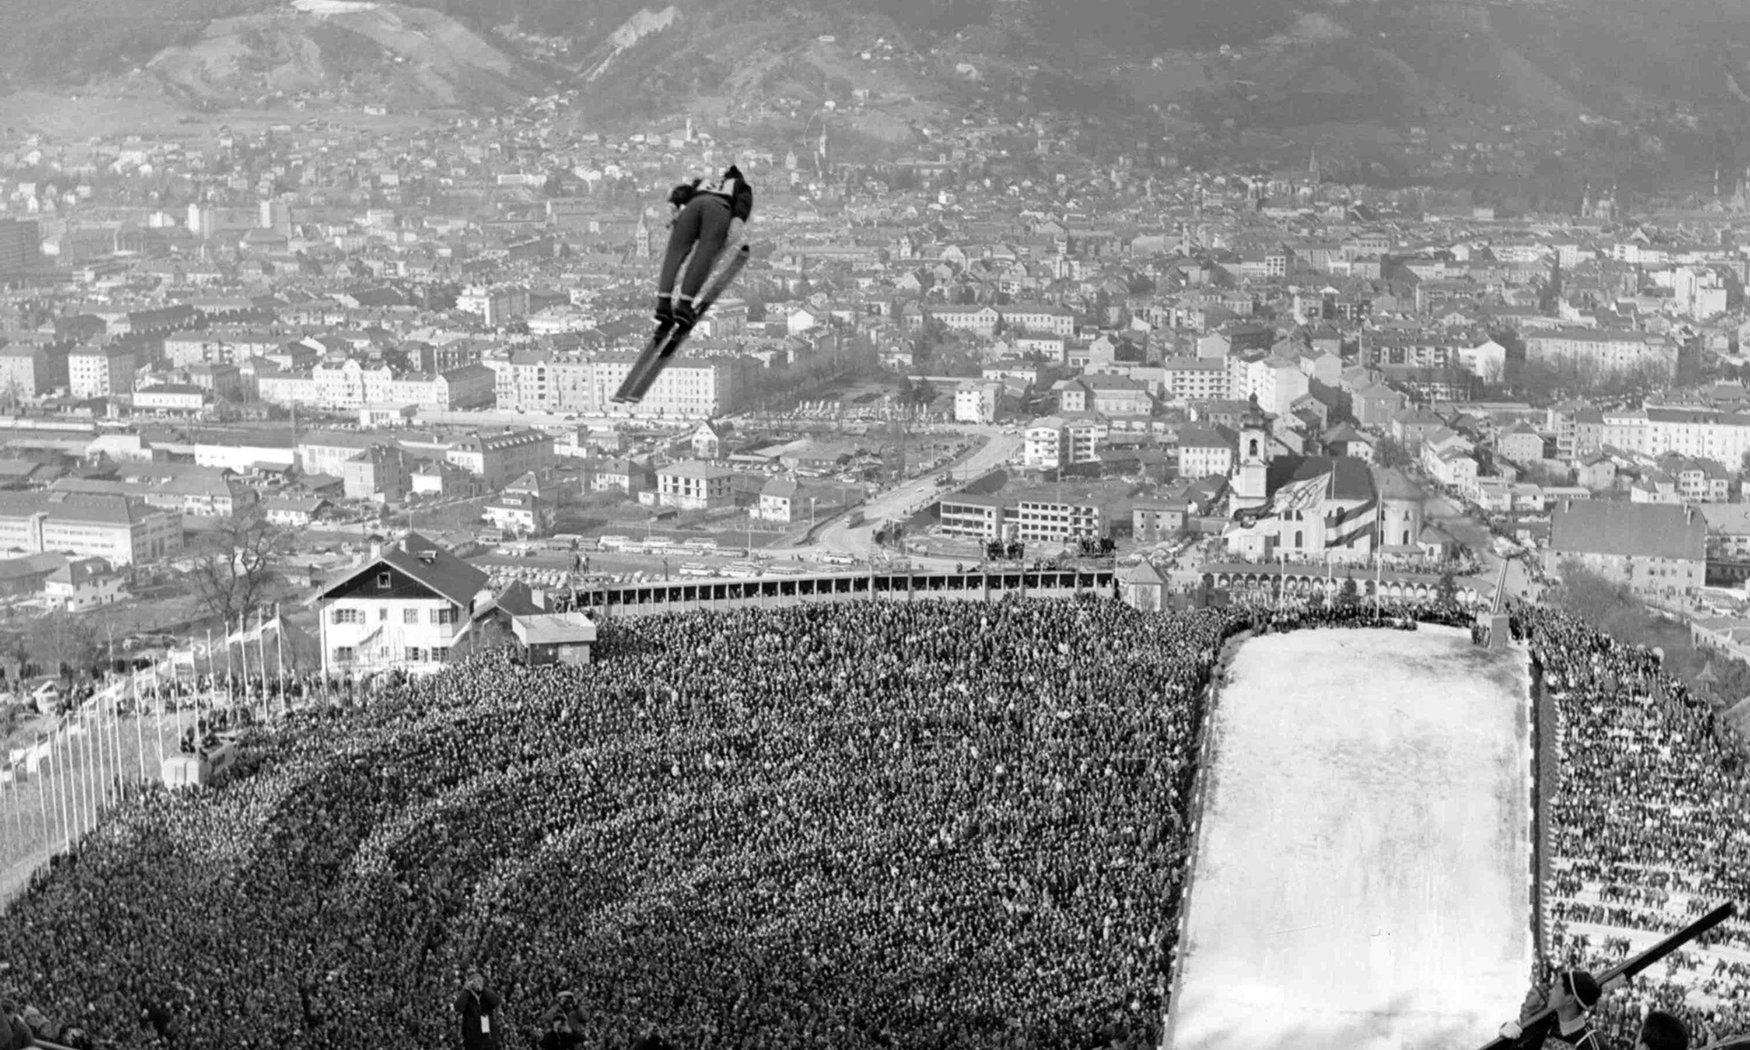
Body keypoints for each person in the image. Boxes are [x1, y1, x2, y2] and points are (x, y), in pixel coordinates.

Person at [654, 164, 752, 330]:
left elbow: (682, 191)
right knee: (704, 255)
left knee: (675, 252)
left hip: (692, 206)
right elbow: (743, 202)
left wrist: (673, 204)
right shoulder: (740, 185)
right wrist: (737, 221)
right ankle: (684, 306)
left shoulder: (704, 182)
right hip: (718, 210)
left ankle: (663, 303)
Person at [1499, 969, 1604, 1049]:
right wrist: (1506, 1033)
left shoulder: (1593, 1044)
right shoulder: (1547, 1029)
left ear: (1570, 998)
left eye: (1556, 987)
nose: (1550, 992)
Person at [454, 970, 501, 1050]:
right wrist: (466, 990)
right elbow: (458, 1007)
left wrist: (483, 990)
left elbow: (496, 1001)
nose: (477, 983)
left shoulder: (486, 993)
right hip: (472, 1037)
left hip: (488, 1036)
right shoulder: (466, 995)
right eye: (475, 981)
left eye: (479, 981)